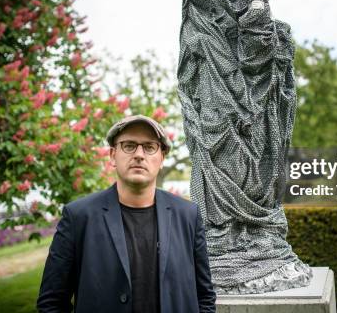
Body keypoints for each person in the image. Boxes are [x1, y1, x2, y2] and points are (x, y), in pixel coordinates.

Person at [37, 114, 216, 313]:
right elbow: (51, 303)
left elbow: (205, 296)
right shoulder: (79, 217)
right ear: (113, 155)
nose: (139, 154)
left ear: (162, 158)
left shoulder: (188, 216)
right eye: (129, 145)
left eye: (149, 147)